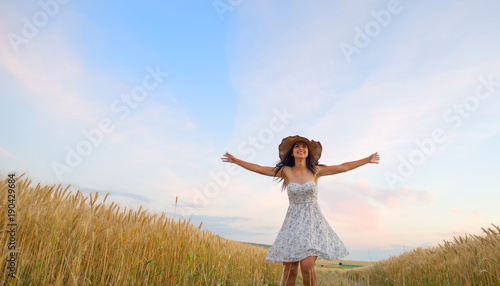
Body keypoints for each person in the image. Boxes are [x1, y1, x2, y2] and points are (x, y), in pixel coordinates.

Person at [221, 135, 380, 286]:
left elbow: (343, 167)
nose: (301, 148)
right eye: (297, 146)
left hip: (313, 223)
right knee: (289, 270)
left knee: (307, 266)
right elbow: (259, 168)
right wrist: (235, 160)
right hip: (292, 224)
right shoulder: (285, 171)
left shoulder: (316, 171)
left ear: (308, 152)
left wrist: (367, 160)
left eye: (304, 146)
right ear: (292, 152)